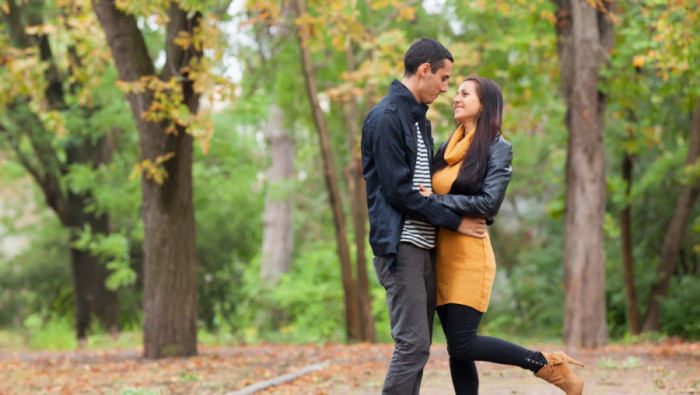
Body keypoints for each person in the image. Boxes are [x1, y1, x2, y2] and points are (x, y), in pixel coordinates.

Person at [419, 76, 585, 395]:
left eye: (465, 93)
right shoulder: (446, 147)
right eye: (456, 93)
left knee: (465, 344)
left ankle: (544, 363)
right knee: (457, 349)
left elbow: (488, 203)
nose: (455, 98)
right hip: (440, 255)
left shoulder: (498, 147)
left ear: (486, 104)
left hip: (470, 254)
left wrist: (436, 201)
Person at [361, 38, 488, 395]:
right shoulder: (386, 117)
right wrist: (457, 221)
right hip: (400, 246)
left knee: (419, 348)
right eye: (444, 79)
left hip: (424, 245)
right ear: (424, 70)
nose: (446, 88)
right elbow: (400, 192)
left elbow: (430, 187)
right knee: (413, 345)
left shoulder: (421, 122)